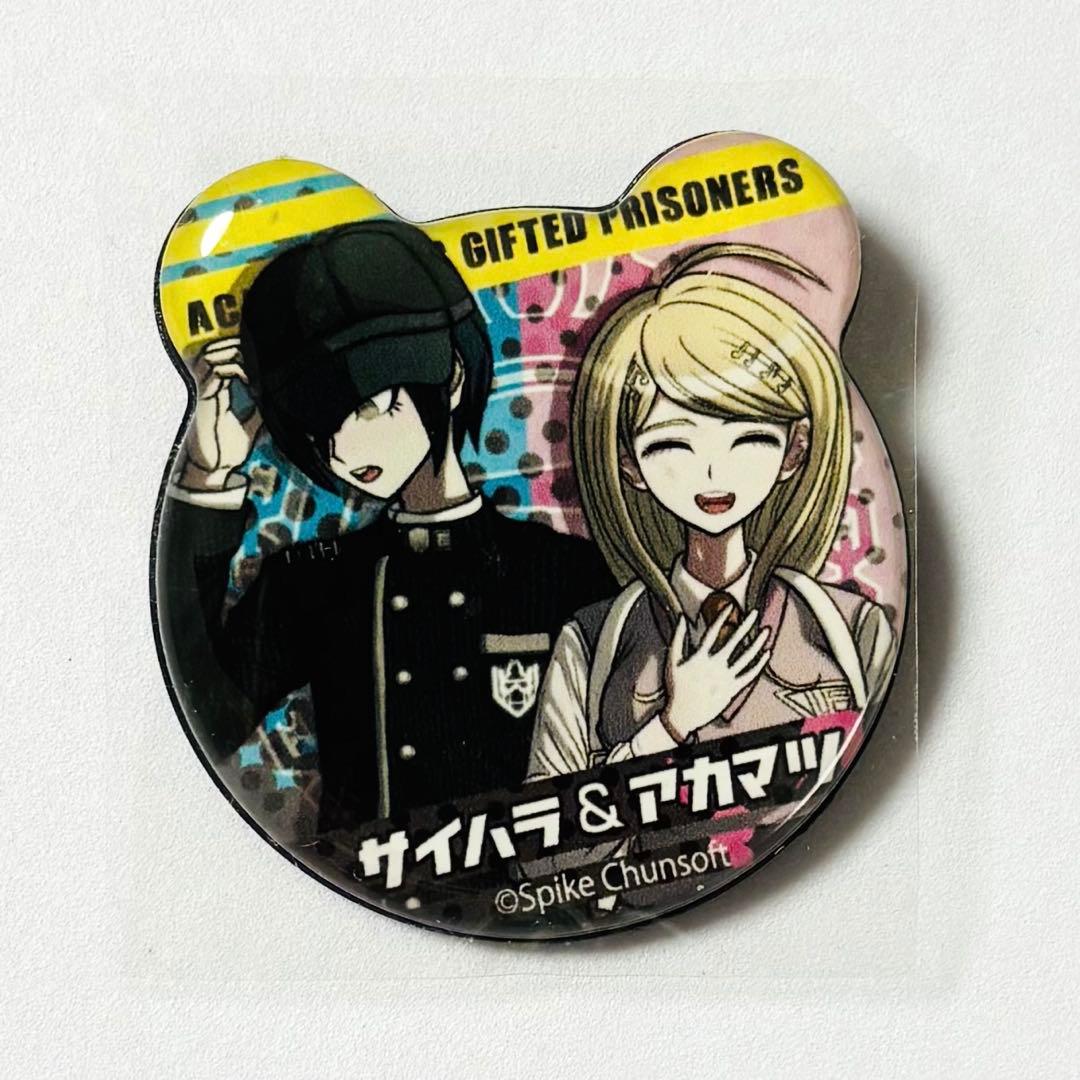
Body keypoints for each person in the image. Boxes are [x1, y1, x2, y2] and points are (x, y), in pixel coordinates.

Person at [156, 219, 615, 832]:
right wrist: (207, 478)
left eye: (371, 405)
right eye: (323, 427)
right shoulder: (311, 583)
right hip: (362, 878)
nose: (347, 448)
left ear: (452, 376)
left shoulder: (565, 574)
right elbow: (203, 709)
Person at [527, 242, 896, 781]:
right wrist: (671, 725)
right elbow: (549, 824)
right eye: (672, 445)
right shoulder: (593, 642)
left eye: (748, 439)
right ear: (630, 464)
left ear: (794, 449)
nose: (711, 472)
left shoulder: (849, 628)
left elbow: (884, 772)